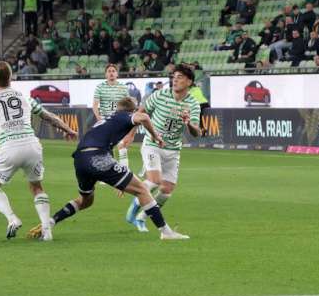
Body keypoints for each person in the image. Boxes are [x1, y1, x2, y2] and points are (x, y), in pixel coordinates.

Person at [27, 96, 189, 241]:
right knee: (142, 190)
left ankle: (50, 222)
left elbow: (106, 147)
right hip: (97, 157)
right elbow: (144, 117)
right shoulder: (125, 116)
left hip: (80, 159)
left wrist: (120, 180)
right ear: (132, 110)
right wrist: (155, 136)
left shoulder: (105, 121)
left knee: (86, 200)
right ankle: (166, 232)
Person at [0, 62, 77, 240]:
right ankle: (46, 230)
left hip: (9, 147)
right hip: (32, 145)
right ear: (11, 78)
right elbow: (48, 116)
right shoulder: (25, 96)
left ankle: (12, 219)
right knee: (36, 187)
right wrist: (68, 129)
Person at [125, 65, 201, 232]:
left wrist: (189, 123)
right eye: (174, 77)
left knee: (166, 191)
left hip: (173, 149)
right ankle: (134, 207)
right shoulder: (160, 95)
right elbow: (141, 112)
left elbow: (196, 132)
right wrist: (131, 134)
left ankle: (141, 217)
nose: (175, 80)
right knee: (154, 180)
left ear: (189, 82)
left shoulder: (193, 104)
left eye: (180, 77)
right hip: (153, 144)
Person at [92, 64, 131, 166]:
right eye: (109, 71)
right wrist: (99, 119)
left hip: (120, 120)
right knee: (107, 148)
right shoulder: (100, 87)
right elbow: (95, 105)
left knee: (122, 146)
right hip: (106, 121)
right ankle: (111, 170)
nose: (111, 73)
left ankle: (125, 170)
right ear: (106, 74)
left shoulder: (123, 87)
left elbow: (128, 105)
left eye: (113, 71)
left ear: (117, 74)